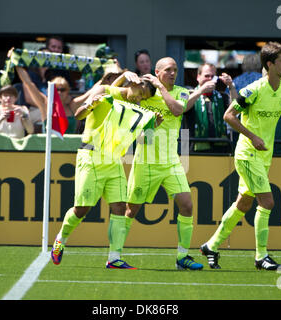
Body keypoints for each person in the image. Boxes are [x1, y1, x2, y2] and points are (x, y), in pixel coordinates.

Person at [200, 42, 281, 271]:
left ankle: (211, 245)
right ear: (270, 64)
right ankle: (261, 256)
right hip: (247, 153)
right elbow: (229, 115)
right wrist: (253, 136)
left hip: (265, 156)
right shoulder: (253, 89)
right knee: (267, 202)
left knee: (244, 203)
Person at [51, 78, 161, 269]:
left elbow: (145, 141)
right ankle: (61, 239)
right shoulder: (107, 95)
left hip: (114, 161)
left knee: (119, 207)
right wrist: (90, 105)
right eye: (141, 93)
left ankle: (114, 258)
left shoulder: (137, 113)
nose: (140, 100)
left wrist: (155, 125)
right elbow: (77, 115)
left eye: (144, 98)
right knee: (81, 209)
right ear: (133, 84)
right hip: (91, 156)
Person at [122, 57, 204, 270]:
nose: (172, 73)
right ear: (157, 72)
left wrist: (161, 88)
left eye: (175, 70)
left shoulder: (180, 91)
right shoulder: (145, 92)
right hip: (145, 161)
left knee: (187, 205)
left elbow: (178, 110)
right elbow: (126, 98)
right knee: (131, 210)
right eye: (168, 70)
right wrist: (128, 79)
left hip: (171, 162)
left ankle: (182, 258)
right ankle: (114, 255)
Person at [184, 63, 238, 153]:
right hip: (193, 149)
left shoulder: (222, 96)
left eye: (212, 76)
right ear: (198, 77)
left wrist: (231, 86)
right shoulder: (189, 95)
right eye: (206, 76)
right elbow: (182, 108)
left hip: (220, 148)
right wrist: (201, 91)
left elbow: (236, 109)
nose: (209, 79)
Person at [16, 66, 79, 134]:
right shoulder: (45, 104)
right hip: (49, 143)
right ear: (51, 91)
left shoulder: (72, 106)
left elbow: (90, 95)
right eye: (56, 89)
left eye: (62, 90)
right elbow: (28, 83)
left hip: (69, 143)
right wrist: (16, 62)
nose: (59, 92)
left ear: (67, 91)